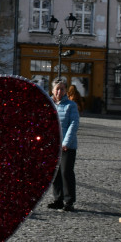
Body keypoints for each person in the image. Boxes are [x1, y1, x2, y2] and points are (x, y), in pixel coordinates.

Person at [46, 79, 79, 212]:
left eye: (62, 89)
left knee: (66, 172)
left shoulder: (71, 105)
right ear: (52, 90)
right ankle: (58, 199)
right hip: (52, 145)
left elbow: (74, 124)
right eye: (57, 89)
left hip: (67, 146)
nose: (59, 91)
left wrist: (66, 142)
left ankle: (69, 201)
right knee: (55, 173)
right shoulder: (48, 104)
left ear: (66, 91)